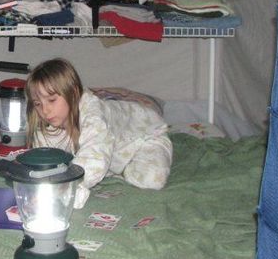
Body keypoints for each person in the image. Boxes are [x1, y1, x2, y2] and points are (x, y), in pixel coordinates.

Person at [25, 58, 173, 209]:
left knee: (151, 181)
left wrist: (64, 191)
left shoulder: (93, 114)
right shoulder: (47, 126)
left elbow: (94, 154)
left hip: (146, 136)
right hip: (114, 150)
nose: (45, 110)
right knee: (95, 163)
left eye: (51, 100)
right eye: (38, 103)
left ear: (74, 92)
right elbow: (44, 161)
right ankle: (113, 167)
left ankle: (120, 167)